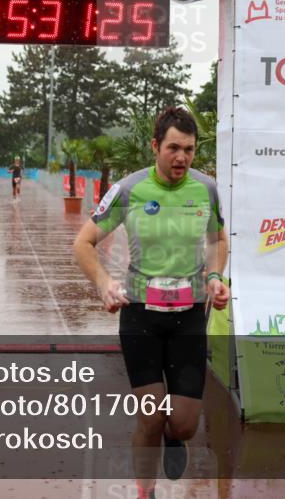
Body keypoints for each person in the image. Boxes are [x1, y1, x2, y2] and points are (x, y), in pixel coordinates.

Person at [72, 107, 230, 499]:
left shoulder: (206, 189)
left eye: (189, 150)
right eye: (173, 148)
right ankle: (145, 491)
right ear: (155, 146)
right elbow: (83, 242)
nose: (181, 158)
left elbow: (217, 240)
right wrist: (105, 283)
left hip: (189, 317)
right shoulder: (130, 189)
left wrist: (214, 277)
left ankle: (176, 439)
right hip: (140, 316)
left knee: (184, 425)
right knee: (150, 414)